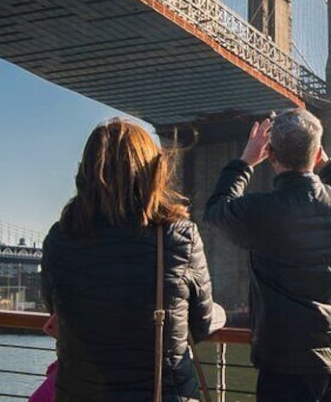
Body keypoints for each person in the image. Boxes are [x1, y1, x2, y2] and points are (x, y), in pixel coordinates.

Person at [42, 118, 226, 401]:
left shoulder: (61, 237)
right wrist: (221, 313)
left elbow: (56, 311)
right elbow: (200, 324)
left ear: (86, 172)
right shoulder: (178, 236)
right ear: (152, 170)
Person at [204, 108, 331, 402]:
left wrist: (245, 162)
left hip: (282, 362)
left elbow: (216, 210)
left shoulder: (261, 210)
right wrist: (329, 165)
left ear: (270, 154)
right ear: (317, 152)